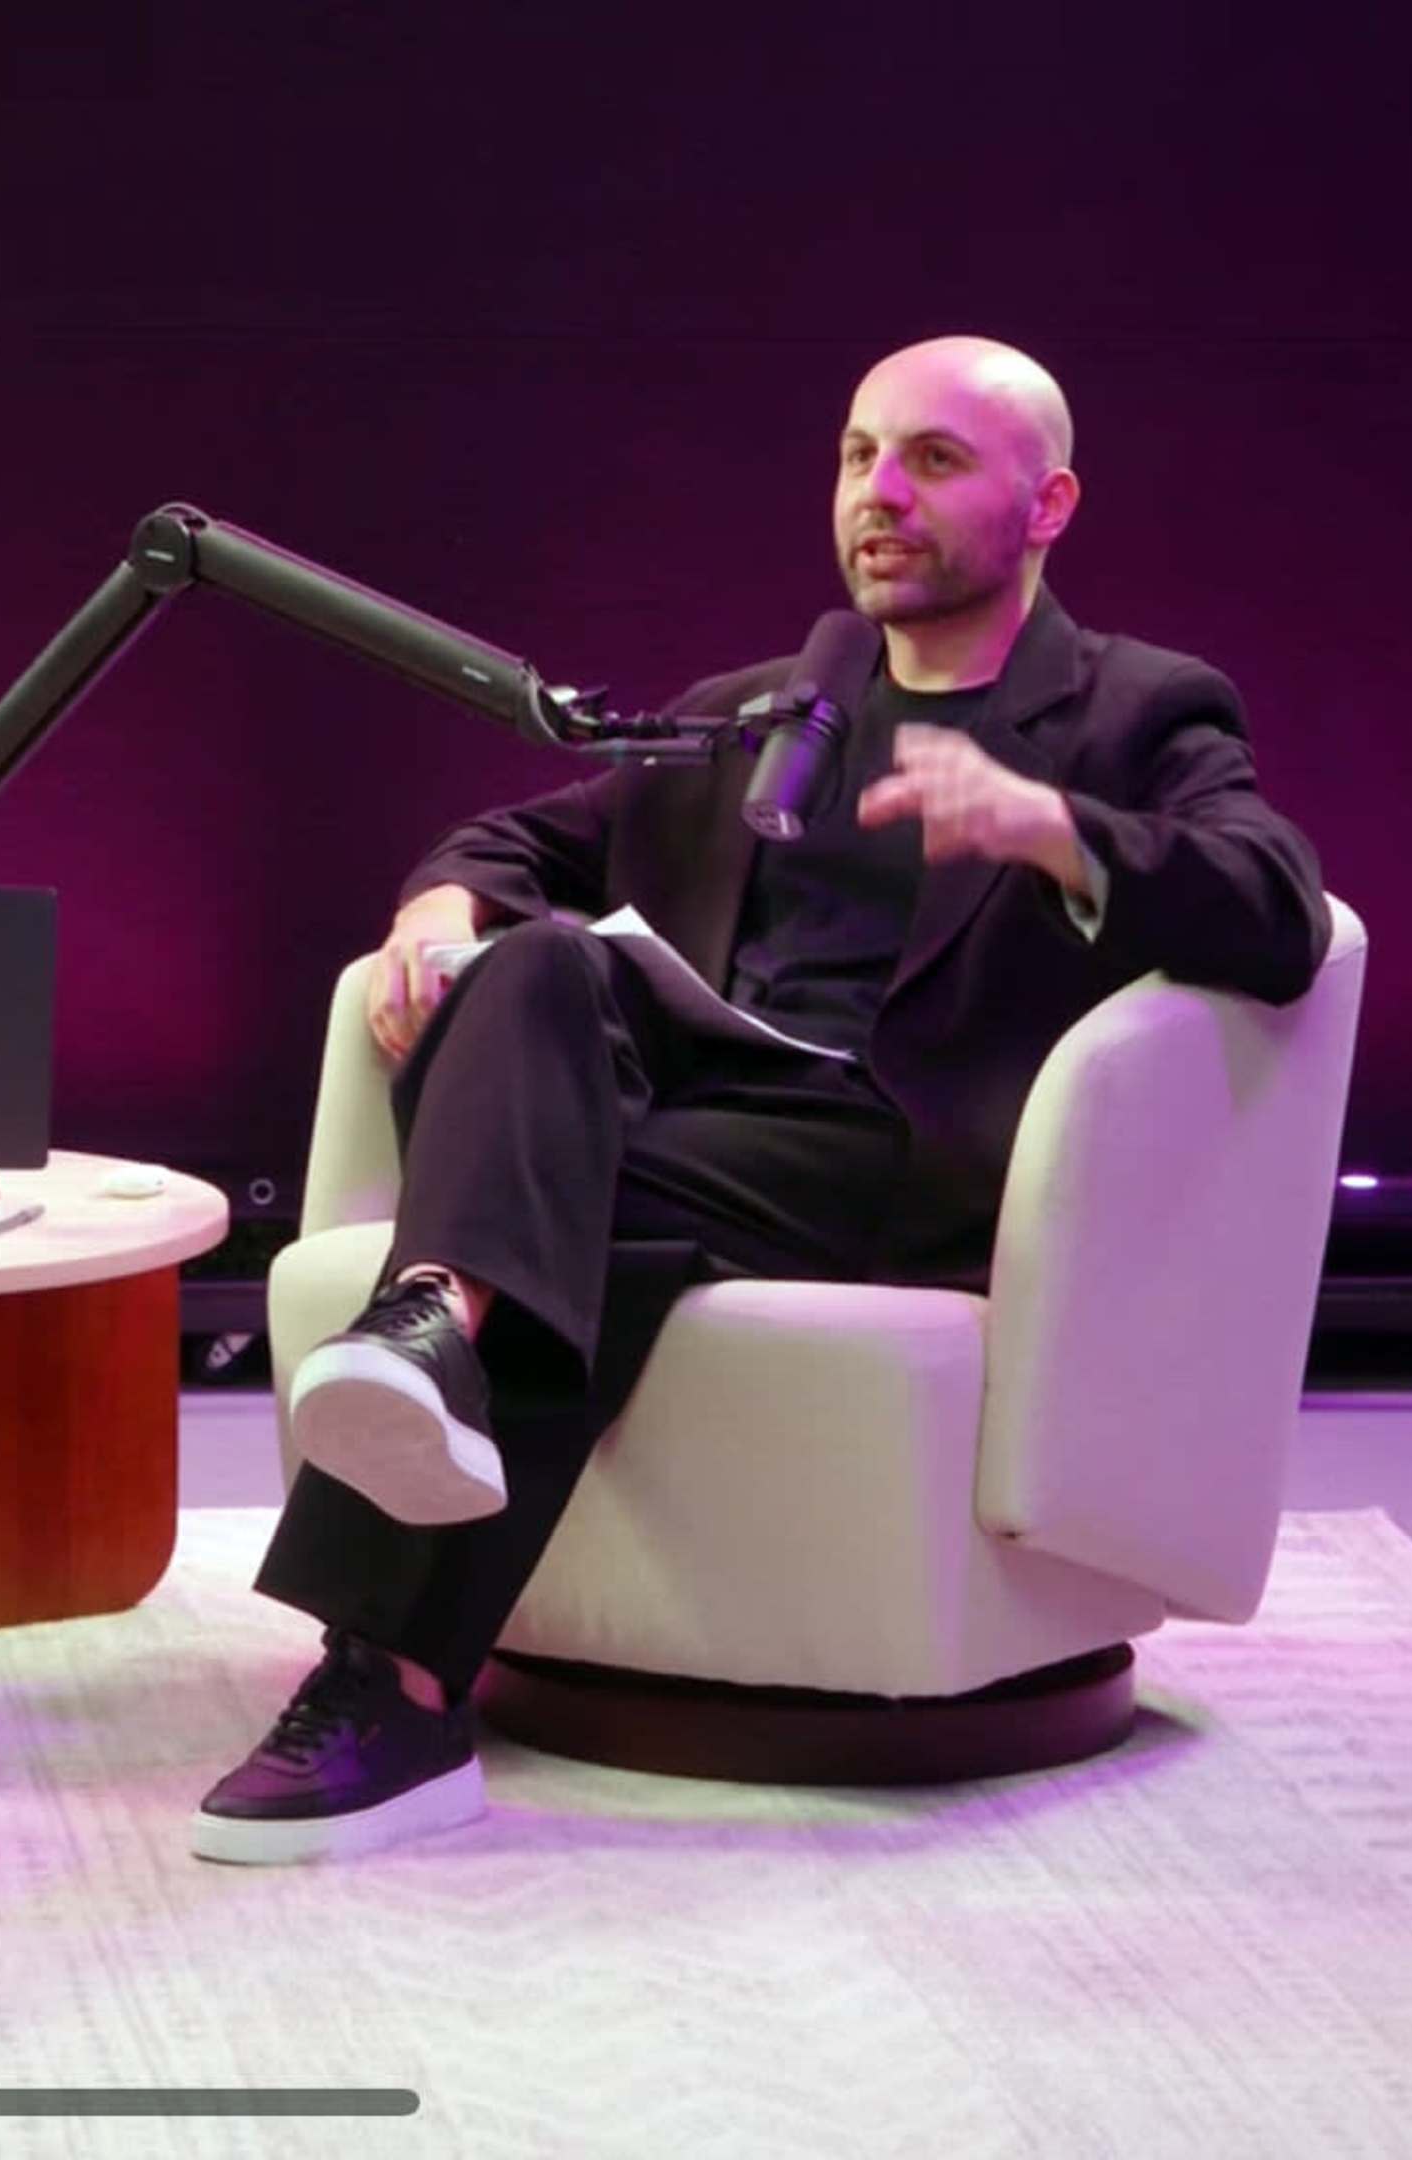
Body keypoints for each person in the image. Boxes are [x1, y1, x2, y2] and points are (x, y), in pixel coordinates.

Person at [196, 335, 1327, 1865]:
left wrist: (1054, 830)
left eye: (934, 459)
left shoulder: (1140, 710)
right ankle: (425, 1376)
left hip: (900, 1159)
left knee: (565, 1204)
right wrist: (436, 914)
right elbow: (519, 841)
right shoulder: (765, 709)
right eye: (860, 456)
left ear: (1048, 502)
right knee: (529, 980)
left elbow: (1279, 911)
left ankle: (379, 1662)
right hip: (701, 1133)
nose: (880, 493)